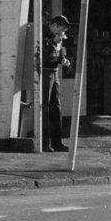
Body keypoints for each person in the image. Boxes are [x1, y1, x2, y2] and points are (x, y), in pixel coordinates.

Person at [41, 14, 71, 152]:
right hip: (44, 71)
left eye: (63, 31)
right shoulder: (42, 33)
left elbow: (58, 54)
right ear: (53, 25)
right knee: (45, 107)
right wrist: (53, 41)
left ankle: (57, 142)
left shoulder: (58, 37)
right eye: (60, 30)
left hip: (54, 71)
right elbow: (42, 54)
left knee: (56, 107)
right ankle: (44, 143)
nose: (62, 33)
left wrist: (62, 60)